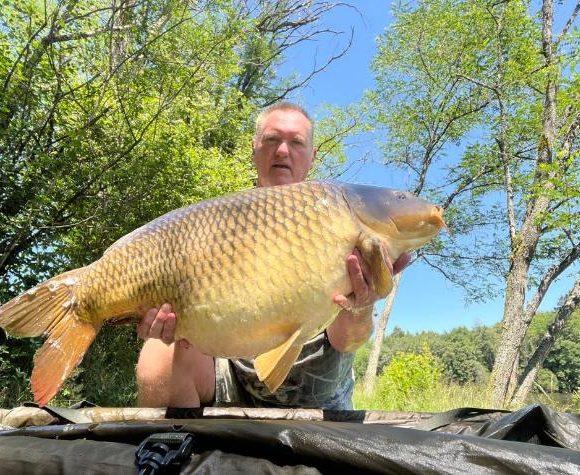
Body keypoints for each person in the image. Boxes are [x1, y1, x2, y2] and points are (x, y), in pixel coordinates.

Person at [135, 102, 410, 409]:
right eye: (271, 140)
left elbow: (348, 340)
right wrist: (164, 320)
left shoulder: (340, 217)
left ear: (312, 157)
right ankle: (180, 450)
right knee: (158, 350)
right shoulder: (218, 222)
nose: (282, 151)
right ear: (255, 149)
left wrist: (361, 306)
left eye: (296, 142)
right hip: (232, 388)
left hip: (319, 403)